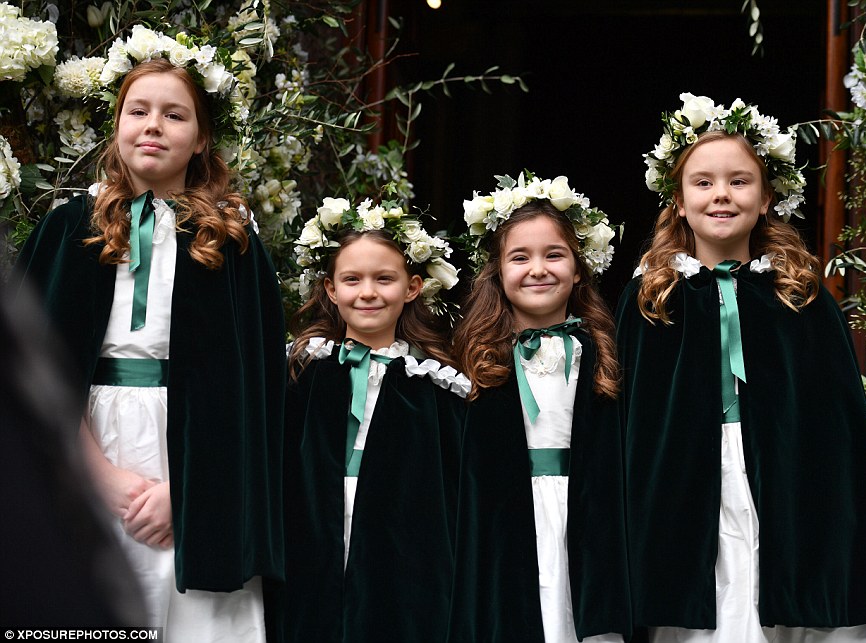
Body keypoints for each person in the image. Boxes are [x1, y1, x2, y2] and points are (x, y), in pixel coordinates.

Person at [15, 27, 286, 641]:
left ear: (201, 138)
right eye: (138, 111)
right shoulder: (66, 231)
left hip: (196, 455)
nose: (153, 126)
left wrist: (186, 492)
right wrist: (96, 472)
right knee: (93, 603)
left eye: (175, 115)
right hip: (85, 445)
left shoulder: (234, 242)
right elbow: (29, 371)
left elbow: (253, 391)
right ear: (117, 125)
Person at [617, 93, 866, 642]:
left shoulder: (801, 295)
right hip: (686, 493)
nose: (722, 195)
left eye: (740, 180)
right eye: (703, 182)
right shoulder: (650, 297)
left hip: (789, 482)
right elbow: (631, 420)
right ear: (679, 202)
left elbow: (839, 421)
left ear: (767, 197)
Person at [265, 197, 468, 642]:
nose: (368, 293)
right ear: (331, 289)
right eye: (352, 280)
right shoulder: (299, 372)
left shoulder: (436, 388)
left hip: (397, 556)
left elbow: (450, 498)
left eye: (384, 279)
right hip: (311, 539)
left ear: (412, 287)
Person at [449, 173, 631, 643]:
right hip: (507, 522)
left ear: (578, 269)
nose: (538, 269)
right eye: (520, 257)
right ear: (497, 270)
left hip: (583, 515)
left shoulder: (601, 353)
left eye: (554, 255)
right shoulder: (476, 358)